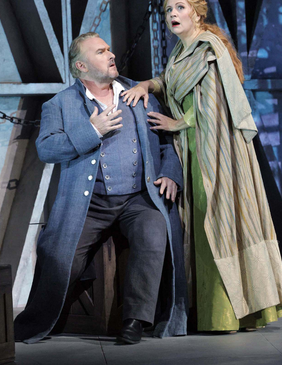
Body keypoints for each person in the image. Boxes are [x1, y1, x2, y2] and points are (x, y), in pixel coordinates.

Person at [121, 0, 282, 332]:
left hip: (217, 150)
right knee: (200, 223)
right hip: (193, 149)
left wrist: (176, 122)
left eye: (179, 8)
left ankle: (226, 314)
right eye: (168, 10)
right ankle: (206, 311)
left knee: (219, 221)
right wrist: (146, 85)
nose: (172, 15)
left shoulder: (207, 48)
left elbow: (215, 106)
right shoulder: (181, 52)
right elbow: (169, 82)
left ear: (197, 13)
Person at [14, 32, 187, 344]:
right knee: (59, 256)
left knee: (154, 230)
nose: (111, 55)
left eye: (109, 48)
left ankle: (135, 320)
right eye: (100, 51)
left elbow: (166, 143)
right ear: (81, 66)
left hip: (138, 197)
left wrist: (171, 173)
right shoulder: (61, 104)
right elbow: (47, 149)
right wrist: (92, 130)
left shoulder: (137, 94)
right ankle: (35, 322)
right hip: (89, 204)